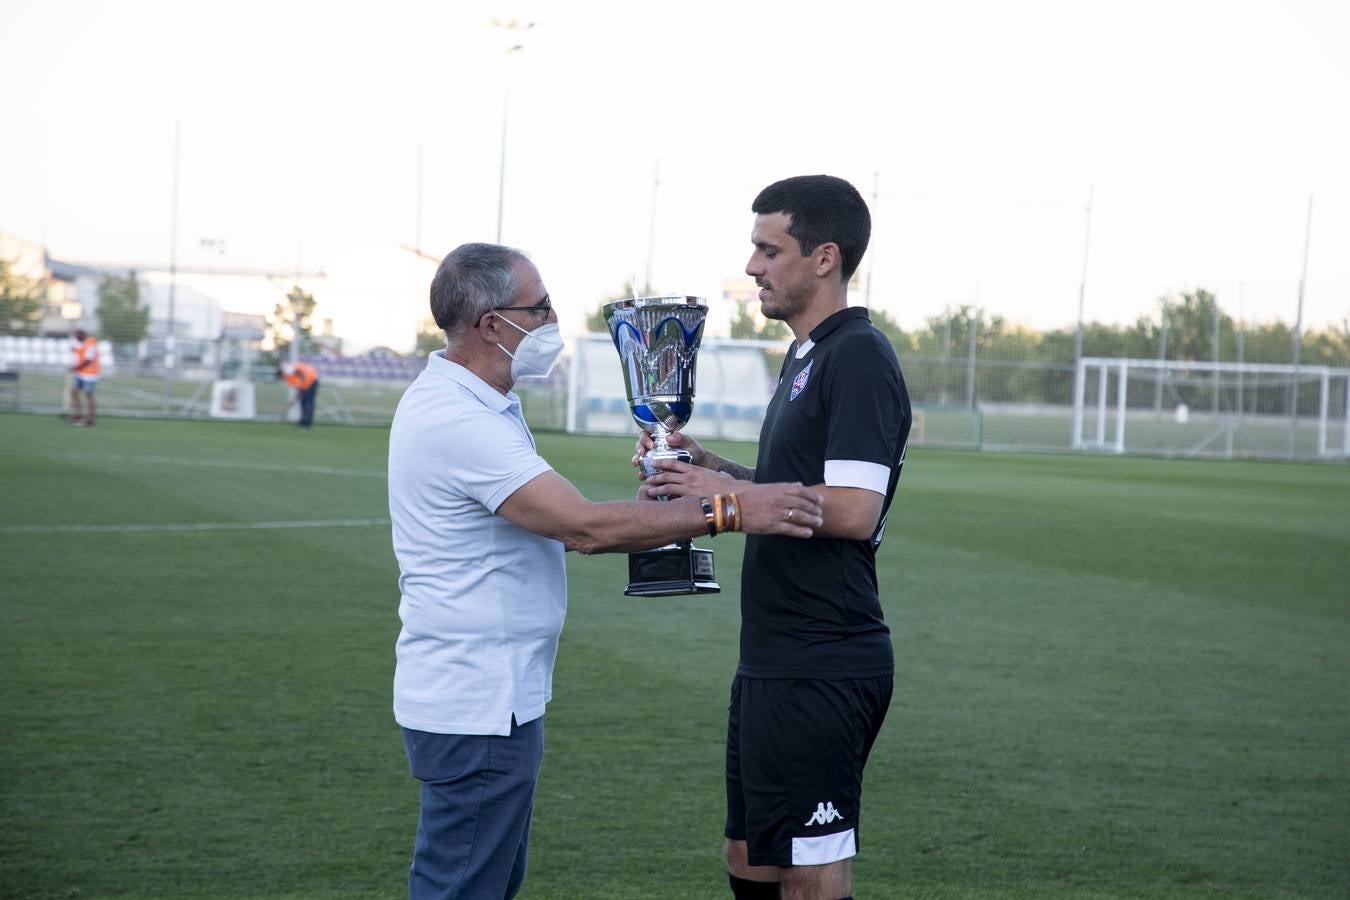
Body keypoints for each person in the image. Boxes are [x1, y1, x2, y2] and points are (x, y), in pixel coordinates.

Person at [386, 241, 826, 900]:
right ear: (489, 325)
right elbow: (583, 527)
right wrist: (735, 507)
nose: (553, 321)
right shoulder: (457, 417)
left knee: (486, 883)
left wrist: (663, 499)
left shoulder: (481, 404)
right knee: (461, 889)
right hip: (474, 700)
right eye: (540, 309)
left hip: (490, 696)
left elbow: (546, 531)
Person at [637, 175, 913, 900]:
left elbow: (853, 508)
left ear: (824, 258)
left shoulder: (857, 355)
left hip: (823, 659)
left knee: (810, 874)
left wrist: (722, 499)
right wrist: (709, 466)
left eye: (768, 249)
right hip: (774, 657)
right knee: (750, 859)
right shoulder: (807, 355)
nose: (754, 267)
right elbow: (787, 486)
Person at [68, 328, 101, 426]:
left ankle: (91, 418)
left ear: (81, 335)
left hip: (90, 375)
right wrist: (75, 350)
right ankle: (78, 414)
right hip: (81, 374)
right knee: (74, 391)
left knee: (89, 395)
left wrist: (74, 368)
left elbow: (88, 360)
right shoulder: (85, 343)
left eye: (77, 337)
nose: (76, 339)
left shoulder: (90, 343)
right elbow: (82, 352)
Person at [275, 360, 320, 428]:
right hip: (306, 382)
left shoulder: (287, 369)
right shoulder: (289, 379)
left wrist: (302, 384)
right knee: (303, 402)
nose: (282, 379)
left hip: (312, 379)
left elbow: (300, 373)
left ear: (281, 374)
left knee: (308, 402)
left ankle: (307, 423)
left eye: (280, 378)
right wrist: (293, 400)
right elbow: (299, 390)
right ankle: (303, 421)